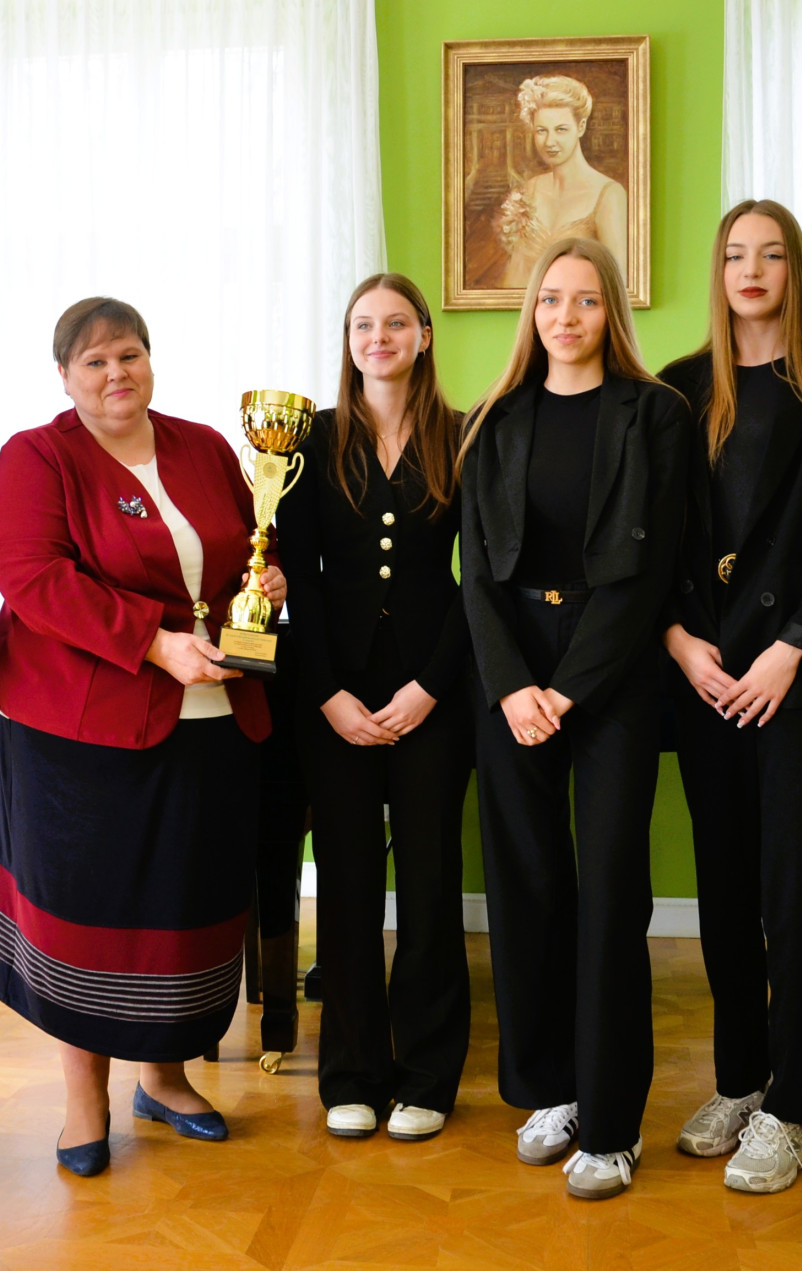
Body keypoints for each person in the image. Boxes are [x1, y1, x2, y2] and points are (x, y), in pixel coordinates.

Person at [0, 297, 287, 1178]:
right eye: (94, 361)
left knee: (184, 910)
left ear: (151, 360)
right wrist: (154, 644)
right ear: (64, 377)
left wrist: (265, 580)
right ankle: (85, 1099)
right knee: (93, 918)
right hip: (86, 735)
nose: (116, 373)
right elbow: (32, 576)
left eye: (129, 354)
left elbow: (245, 551)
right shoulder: (38, 456)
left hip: (214, 720)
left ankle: (166, 1077)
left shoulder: (205, 445)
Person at [659, 199, 802, 1193]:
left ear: (795, 270)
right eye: (735, 254)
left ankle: (795, 1105)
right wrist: (680, 643)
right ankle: (740, 1080)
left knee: (796, 895)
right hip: (706, 675)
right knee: (725, 893)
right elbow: (652, 538)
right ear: (718, 271)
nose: (751, 269)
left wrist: (792, 646)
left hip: (801, 676)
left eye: (772, 253)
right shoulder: (675, 389)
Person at [458, 237, 688, 1199]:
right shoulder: (494, 418)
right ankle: (550, 1088)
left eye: (586, 300)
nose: (566, 316)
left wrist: (572, 687)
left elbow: (654, 567)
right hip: (513, 670)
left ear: (611, 312)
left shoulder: (655, 413)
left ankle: (612, 1119)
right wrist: (514, 685)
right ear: (532, 312)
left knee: (611, 893)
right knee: (527, 886)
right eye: (551, 299)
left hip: (613, 670)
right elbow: (475, 569)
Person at [279, 273, 474, 1143]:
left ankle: (428, 1076)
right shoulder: (311, 439)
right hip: (337, 695)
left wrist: (430, 686)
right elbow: (297, 577)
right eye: (364, 324)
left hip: (435, 691)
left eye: (396, 323)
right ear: (349, 338)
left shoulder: (465, 434)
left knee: (430, 886)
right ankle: (351, 1074)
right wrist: (327, 693)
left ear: (424, 335)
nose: (379, 337)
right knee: (349, 885)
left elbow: (480, 578)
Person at [496, 75, 629, 289]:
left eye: (561, 130)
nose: (550, 142)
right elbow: (513, 279)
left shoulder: (609, 194)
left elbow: (618, 285)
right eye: (542, 131)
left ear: (581, 127)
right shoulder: (530, 190)